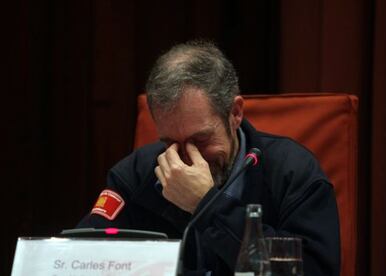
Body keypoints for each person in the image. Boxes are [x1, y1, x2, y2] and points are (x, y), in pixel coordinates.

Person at [77, 40, 340, 275]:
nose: (187, 160)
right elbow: (81, 257)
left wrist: (207, 204)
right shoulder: (136, 175)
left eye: (200, 140)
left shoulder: (293, 173)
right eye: (170, 143)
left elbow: (314, 269)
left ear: (235, 113)